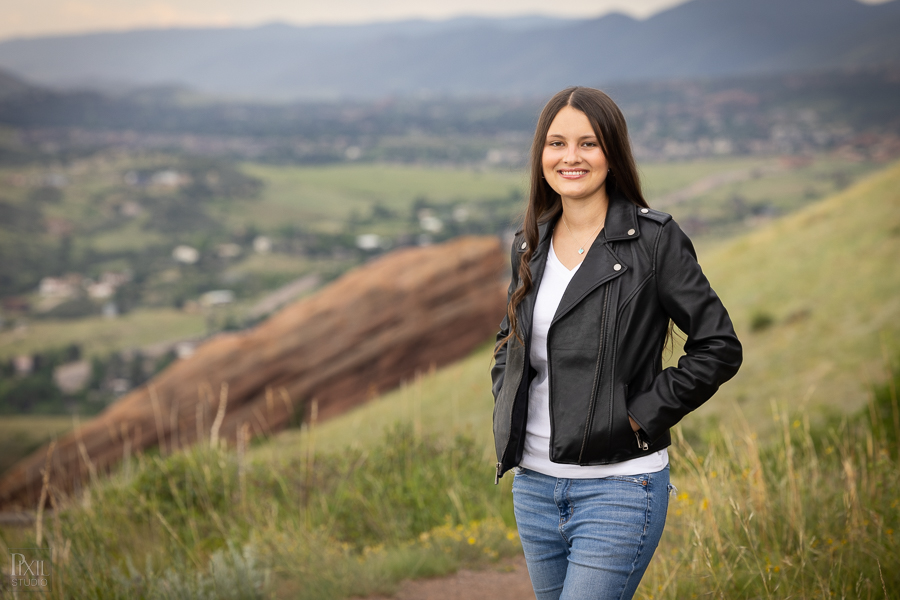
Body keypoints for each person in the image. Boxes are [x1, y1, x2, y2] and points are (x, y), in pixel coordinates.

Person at [490, 87, 742, 600]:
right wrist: (505, 396)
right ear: (541, 157)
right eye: (556, 143)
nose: (571, 157)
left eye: (588, 143)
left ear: (613, 152)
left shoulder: (654, 240)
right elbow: (509, 339)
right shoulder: (529, 242)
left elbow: (719, 345)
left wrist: (637, 414)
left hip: (621, 487)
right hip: (534, 486)